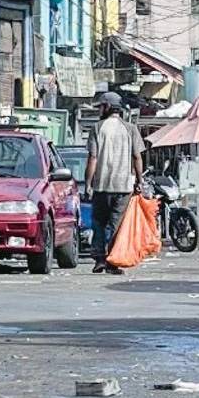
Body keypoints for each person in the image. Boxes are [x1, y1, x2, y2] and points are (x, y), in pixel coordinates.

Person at [84, 91, 145, 274]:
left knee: (99, 223)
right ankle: (112, 260)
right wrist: (139, 181)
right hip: (123, 186)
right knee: (115, 224)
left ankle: (99, 259)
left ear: (108, 107)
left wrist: (88, 183)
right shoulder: (131, 128)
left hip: (101, 185)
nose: (99, 110)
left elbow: (93, 158)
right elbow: (137, 157)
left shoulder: (97, 128)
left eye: (101, 106)